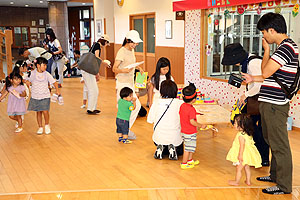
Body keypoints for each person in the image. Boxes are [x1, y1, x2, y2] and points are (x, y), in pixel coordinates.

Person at [242, 13, 298, 195]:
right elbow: (270, 75)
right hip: (269, 102)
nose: (263, 36)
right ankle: (275, 175)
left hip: (275, 104)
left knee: (279, 144)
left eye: (264, 32)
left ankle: (284, 186)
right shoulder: (284, 47)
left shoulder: (285, 49)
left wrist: (266, 51)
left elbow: (265, 72)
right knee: (271, 139)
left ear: (272, 30)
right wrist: (253, 78)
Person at [222, 43, 270, 167]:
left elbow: (260, 85)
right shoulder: (249, 61)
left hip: (261, 100)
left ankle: (262, 158)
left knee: (258, 130)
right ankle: (256, 157)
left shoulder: (253, 63)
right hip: (256, 101)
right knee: (253, 129)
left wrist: (246, 95)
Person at [113, 30, 143, 135]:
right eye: (133, 43)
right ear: (127, 40)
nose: (135, 45)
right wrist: (123, 70)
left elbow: (131, 63)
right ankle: (125, 129)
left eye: (136, 43)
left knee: (132, 107)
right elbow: (114, 69)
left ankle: (125, 129)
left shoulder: (131, 50)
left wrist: (138, 67)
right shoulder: (122, 51)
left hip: (130, 82)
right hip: (122, 83)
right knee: (128, 107)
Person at [147, 80, 183, 160]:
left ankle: (161, 147)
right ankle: (172, 147)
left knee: (162, 140)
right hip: (175, 137)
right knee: (180, 152)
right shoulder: (180, 103)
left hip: (158, 137)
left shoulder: (156, 102)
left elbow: (150, 120)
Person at [25, 57, 60, 135]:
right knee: (38, 112)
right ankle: (40, 127)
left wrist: (57, 90)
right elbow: (28, 81)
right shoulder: (33, 73)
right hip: (35, 95)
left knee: (45, 111)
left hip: (45, 95)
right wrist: (27, 82)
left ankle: (47, 125)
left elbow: (54, 82)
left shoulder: (47, 74)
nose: (45, 67)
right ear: (38, 65)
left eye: (46, 65)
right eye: (43, 65)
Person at [226, 114, 262, 186]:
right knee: (247, 168)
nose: (234, 124)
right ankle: (248, 181)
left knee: (238, 169)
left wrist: (240, 155)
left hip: (243, 155)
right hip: (247, 155)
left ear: (241, 125)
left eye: (235, 123)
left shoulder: (240, 136)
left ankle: (236, 182)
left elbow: (242, 146)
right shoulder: (247, 134)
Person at [179, 83, 206, 169]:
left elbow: (185, 115)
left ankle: (190, 161)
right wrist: (201, 125)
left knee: (190, 146)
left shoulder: (183, 106)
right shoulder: (191, 109)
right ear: (194, 99)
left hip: (184, 131)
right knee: (187, 148)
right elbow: (192, 122)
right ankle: (184, 163)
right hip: (190, 132)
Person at [81, 35, 110, 114]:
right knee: (93, 90)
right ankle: (90, 109)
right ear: (105, 41)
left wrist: (97, 73)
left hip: (88, 70)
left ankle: (92, 108)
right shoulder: (97, 45)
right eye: (107, 43)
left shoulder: (95, 45)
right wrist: (104, 63)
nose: (106, 45)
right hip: (88, 71)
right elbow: (96, 58)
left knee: (94, 90)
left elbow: (94, 60)